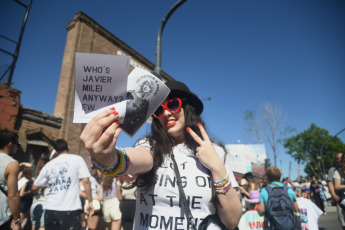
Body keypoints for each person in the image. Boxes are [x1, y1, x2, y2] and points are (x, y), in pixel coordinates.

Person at [80, 80, 242, 229]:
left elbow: (232, 221)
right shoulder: (150, 146)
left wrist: (218, 168)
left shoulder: (215, 151)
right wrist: (108, 158)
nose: (165, 114)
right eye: (159, 110)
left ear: (188, 108)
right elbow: (136, 157)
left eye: (172, 105)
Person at [32, 139, 94, 229]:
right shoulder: (77, 159)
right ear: (68, 147)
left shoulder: (49, 165)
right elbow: (86, 181)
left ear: (56, 151)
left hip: (51, 210)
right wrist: (90, 201)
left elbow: (34, 187)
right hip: (70, 209)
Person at [0, 129, 22, 230]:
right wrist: (17, 221)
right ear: (10, 144)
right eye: (17, 144)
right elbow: (12, 196)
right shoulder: (12, 164)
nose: (17, 148)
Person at [333, 152, 345, 230]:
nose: (340, 160)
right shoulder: (336, 171)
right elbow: (336, 186)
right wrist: (333, 194)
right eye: (338, 158)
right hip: (342, 199)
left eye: (341, 158)